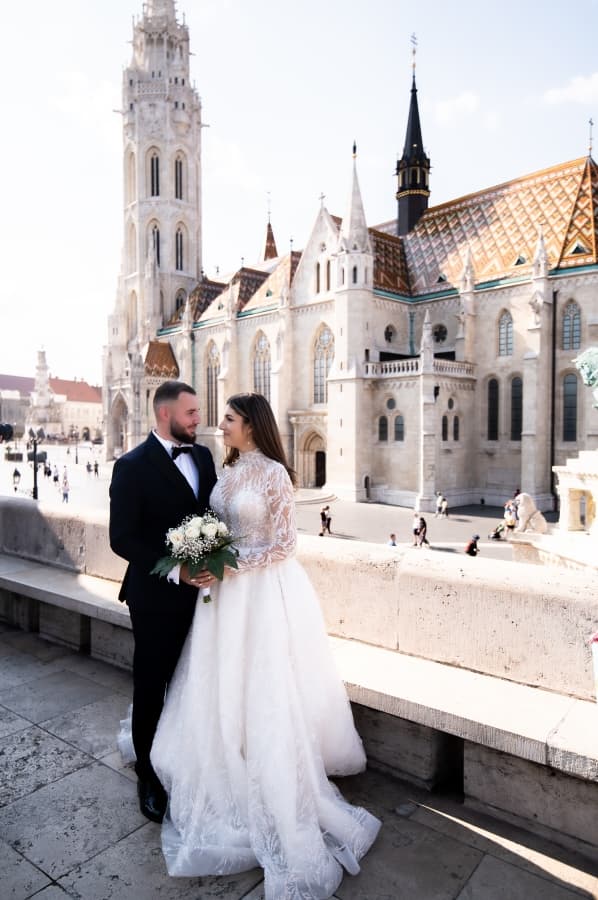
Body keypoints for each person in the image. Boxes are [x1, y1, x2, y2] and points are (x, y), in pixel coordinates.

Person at [150, 392, 380, 897]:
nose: (221, 424)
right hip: (223, 600)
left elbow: (284, 544)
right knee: (221, 679)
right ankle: (226, 755)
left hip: (259, 593)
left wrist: (231, 564)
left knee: (263, 683)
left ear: (250, 425)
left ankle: (266, 771)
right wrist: (204, 551)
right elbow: (220, 525)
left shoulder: (274, 473)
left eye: (229, 418)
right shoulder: (227, 472)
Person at [109, 380, 217, 825]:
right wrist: (177, 569)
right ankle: (148, 775)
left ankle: (184, 760)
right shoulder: (131, 466)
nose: (198, 419)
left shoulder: (204, 455)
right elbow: (123, 539)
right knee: (151, 685)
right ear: (164, 414)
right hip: (154, 596)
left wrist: (216, 559)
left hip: (207, 597)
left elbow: (212, 517)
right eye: (191, 413)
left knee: (193, 683)